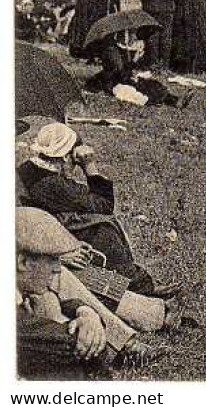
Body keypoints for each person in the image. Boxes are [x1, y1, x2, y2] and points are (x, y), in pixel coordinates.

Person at [17, 124, 182, 304]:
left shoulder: (31, 169)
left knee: (100, 225)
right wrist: (89, 166)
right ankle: (137, 288)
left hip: (40, 227)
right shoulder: (53, 185)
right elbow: (105, 204)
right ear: (65, 156)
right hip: (45, 240)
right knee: (102, 230)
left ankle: (137, 286)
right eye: (73, 158)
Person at [16, 207, 163, 377]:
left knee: (79, 271)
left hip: (43, 234)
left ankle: (153, 309)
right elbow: (65, 196)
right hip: (30, 243)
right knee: (65, 275)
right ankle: (124, 340)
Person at [85, 30, 191, 107]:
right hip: (113, 81)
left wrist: (134, 65)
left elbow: (125, 70)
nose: (132, 38)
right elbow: (119, 72)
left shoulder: (117, 48)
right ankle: (173, 101)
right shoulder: (111, 52)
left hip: (121, 77)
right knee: (143, 87)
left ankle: (175, 100)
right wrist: (134, 61)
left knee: (152, 84)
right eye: (130, 35)